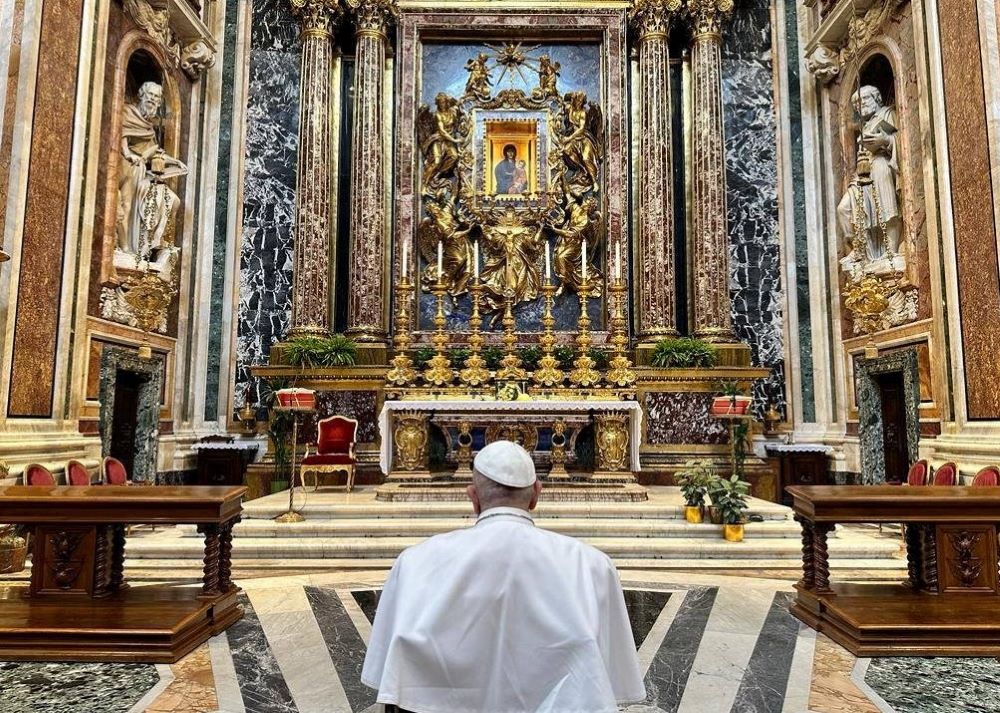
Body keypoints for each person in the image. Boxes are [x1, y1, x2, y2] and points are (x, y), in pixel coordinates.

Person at [362, 440, 645, 713]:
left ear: (473, 498)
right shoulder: (593, 566)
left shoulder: (415, 562)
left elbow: (387, 675)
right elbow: (611, 682)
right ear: (536, 494)